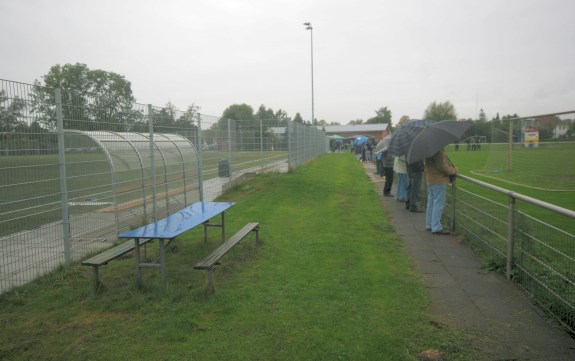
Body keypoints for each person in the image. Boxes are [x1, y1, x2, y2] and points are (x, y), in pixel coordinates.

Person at [424, 149, 458, 235]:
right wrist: (453, 170)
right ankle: (436, 227)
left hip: (430, 179)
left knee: (431, 203)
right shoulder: (438, 152)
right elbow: (443, 168)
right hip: (438, 181)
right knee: (438, 204)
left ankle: (429, 224)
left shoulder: (428, 152)